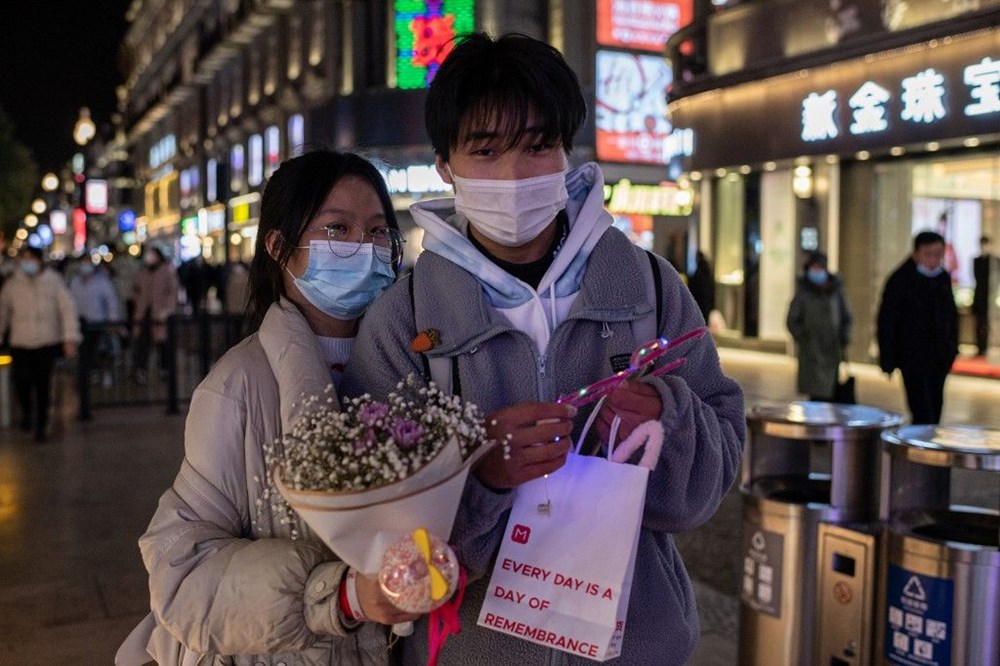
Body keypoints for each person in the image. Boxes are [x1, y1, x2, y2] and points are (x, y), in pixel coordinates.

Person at [341, 33, 746, 666]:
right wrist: (481, 472)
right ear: (445, 165)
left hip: (633, 647)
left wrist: (667, 419)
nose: (514, 173)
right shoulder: (407, 319)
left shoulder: (649, 289)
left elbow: (716, 467)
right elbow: (374, 523)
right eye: (485, 149)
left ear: (566, 152)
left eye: (537, 146)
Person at [117, 150, 412, 665]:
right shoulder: (237, 386)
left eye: (379, 232)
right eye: (337, 229)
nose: (363, 248)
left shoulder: (414, 367)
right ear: (278, 246)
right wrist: (338, 597)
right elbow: (182, 571)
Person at [0, 246, 81, 441]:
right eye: (24, 258)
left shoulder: (54, 281)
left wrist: (70, 337)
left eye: (31, 258)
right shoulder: (12, 284)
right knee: (22, 382)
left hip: (47, 341)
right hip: (20, 342)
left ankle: (41, 425)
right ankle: (28, 412)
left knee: (43, 385)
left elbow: (67, 310)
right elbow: (3, 313)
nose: (27, 262)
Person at [877, 230, 958, 424]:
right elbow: (887, 320)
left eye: (938, 254)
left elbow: (952, 318)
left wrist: (951, 350)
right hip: (912, 357)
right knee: (921, 408)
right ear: (917, 254)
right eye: (929, 254)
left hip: (939, 356)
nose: (934, 259)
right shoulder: (900, 280)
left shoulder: (942, 278)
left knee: (935, 405)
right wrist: (888, 357)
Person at [786, 251, 852, 401]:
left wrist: (844, 337)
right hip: (812, 352)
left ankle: (830, 423)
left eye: (819, 267)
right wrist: (804, 337)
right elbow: (792, 320)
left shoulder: (835, 292)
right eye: (813, 267)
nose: (816, 271)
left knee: (832, 393)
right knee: (816, 396)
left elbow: (846, 317)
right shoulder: (803, 293)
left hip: (832, 350)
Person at [69, 255, 122, 413]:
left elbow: (111, 302)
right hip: (80, 326)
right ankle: (85, 379)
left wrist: (112, 322)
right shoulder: (74, 283)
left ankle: (103, 373)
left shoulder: (102, 282)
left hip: (98, 325)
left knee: (102, 352)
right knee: (84, 355)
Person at [130, 246, 179, 383]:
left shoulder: (167, 272)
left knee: (163, 344)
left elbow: (173, 293)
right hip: (144, 314)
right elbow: (135, 290)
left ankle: (164, 369)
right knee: (142, 343)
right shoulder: (142, 273)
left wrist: (167, 310)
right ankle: (141, 370)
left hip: (160, 315)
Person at [973, 235, 993, 357]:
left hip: (989, 296)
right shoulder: (977, 260)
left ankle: (985, 346)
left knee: (986, 323)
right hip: (980, 295)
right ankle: (979, 347)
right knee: (979, 323)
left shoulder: (994, 261)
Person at [687, 250, 715, 321]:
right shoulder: (707, 271)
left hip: (701, 302)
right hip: (706, 302)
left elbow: (695, 288)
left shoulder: (699, 272)